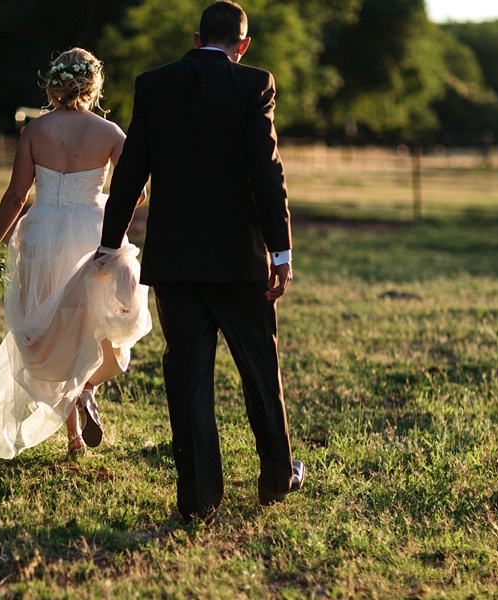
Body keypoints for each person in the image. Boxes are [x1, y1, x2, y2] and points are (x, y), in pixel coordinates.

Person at [99, 1, 304, 522]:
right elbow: (267, 174)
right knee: (260, 369)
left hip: (177, 262)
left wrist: (110, 239)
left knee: (187, 381)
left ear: (195, 40)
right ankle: (277, 479)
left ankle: (198, 500)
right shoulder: (255, 84)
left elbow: (131, 172)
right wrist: (279, 252)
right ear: (243, 44)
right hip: (240, 260)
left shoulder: (155, 85)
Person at [0, 48, 151, 460]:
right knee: (93, 322)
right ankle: (87, 388)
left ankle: (74, 439)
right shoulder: (111, 133)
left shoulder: (34, 132)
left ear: (54, 82)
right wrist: (102, 203)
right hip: (94, 231)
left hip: (43, 233)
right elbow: (137, 191)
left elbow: (16, 195)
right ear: (92, 83)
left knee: (53, 329)